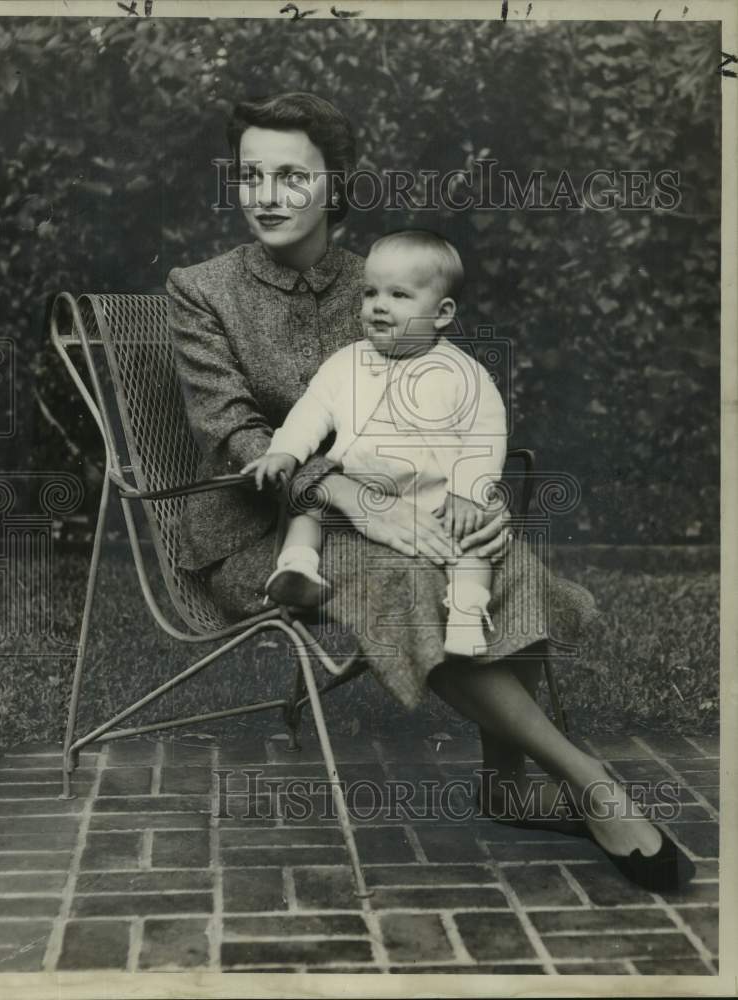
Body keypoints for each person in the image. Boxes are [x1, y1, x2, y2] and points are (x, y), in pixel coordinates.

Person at [166, 91, 694, 890]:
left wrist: (483, 504)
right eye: (249, 176)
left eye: (290, 177)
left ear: (335, 186)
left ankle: (506, 784)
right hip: (261, 526)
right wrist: (346, 495)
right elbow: (231, 430)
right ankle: (593, 784)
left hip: (404, 501)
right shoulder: (204, 289)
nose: (265, 196)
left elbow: (453, 410)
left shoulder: (380, 275)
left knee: (500, 564)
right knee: (411, 584)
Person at [241, 229, 506, 658]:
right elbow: (312, 411)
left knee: (473, 540)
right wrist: (285, 451)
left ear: (442, 313)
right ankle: (297, 568)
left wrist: (469, 492)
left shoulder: (465, 375)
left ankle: (466, 613)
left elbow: (485, 435)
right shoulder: (346, 363)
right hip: (355, 501)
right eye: (369, 293)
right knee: (308, 502)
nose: (378, 305)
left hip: (433, 502)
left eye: (399, 295)